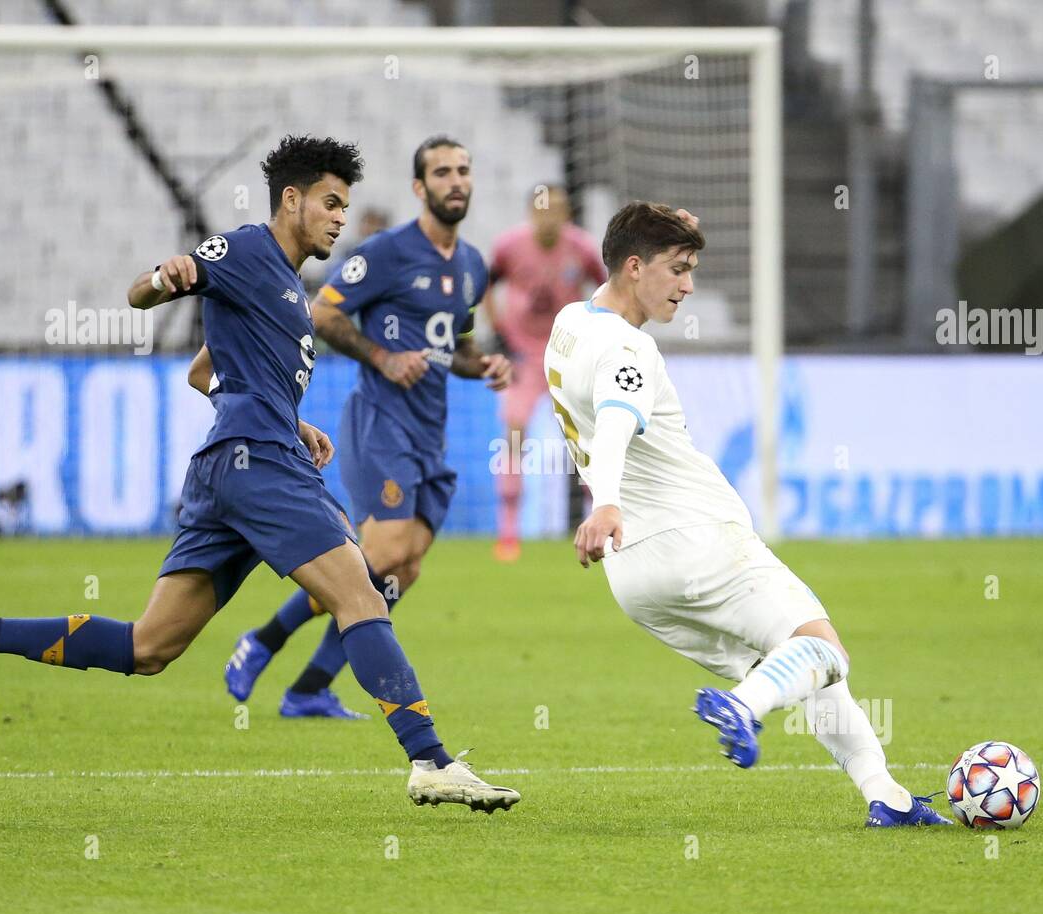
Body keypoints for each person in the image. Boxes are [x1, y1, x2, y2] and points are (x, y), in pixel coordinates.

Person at [0, 134, 519, 814]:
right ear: (292, 199)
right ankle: (429, 759)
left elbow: (205, 371)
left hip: (238, 460)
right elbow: (146, 292)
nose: (340, 218)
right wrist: (164, 279)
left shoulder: (286, 284)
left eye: (345, 205)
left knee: (149, 646)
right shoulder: (250, 250)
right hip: (257, 463)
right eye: (331, 203)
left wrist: (291, 418)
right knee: (361, 595)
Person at [545, 201, 948, 827]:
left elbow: (601, 412)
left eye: (693, 268)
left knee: (796, 668)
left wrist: (609, 507)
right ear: (633, 268)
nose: (688, 285)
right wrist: (606, 503)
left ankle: (886, 796)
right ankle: (741, 708)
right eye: (677, 269)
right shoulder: (630, 351)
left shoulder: (570, 324)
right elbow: (620, 417)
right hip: (695, 542)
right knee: (824, 651)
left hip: (634, 578)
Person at [221, 135, 511, 718]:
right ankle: (263, 639)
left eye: (463, 170)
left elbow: (454, 343)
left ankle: (309, 688)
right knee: (383, 549)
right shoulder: (385, 253)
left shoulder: (474, 265)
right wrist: (382, 357)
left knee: (405, 567)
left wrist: (484, 364)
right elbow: (323, 309)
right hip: (381, 421)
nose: (456, 180)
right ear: (419, 187)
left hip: (431, 433)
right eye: (442, 171)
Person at [484, 185, 605, 562]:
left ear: (567, 213)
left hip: (567, 354)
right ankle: (508, 534)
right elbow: (486, 286)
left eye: (558, 209)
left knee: (584, 437)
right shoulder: (509, 245)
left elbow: (607, 286)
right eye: (543, 208)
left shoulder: (582, 247)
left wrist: (594, 331)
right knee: (515, 434)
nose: (550, 215)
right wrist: (499, 330)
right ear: (531, 212)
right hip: (522, 355)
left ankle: (598, 528)